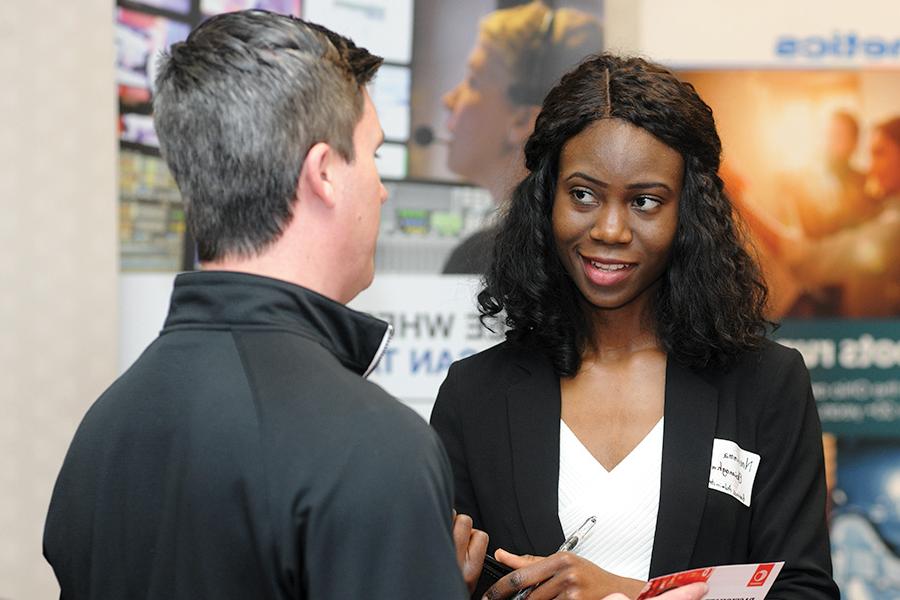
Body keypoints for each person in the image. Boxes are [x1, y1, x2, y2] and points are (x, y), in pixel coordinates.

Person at [43, 11, 487, 599]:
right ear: (324, 173)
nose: (381, 190)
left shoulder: (104, 429)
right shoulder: (373, 448)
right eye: (373, 158)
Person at [431, 53, 840, 599]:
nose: (610, 229)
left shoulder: (766, 385)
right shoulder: (474, 394)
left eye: (645, 201)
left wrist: (621, 593)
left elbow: (804, 593)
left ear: (687, 214)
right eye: (583, 194)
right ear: (545, 197)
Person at [441, 0, 602, 274]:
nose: (449, 99)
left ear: (521, 120)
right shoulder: (583, 253)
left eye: (474, 81)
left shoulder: (482, 260)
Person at [732, 116, 900, 317]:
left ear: (853, 142)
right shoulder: (812, 179)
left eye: (879, 153)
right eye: (828, 135)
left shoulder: (877, 204)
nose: (872, 167)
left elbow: (812, 259)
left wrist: (740, 200)